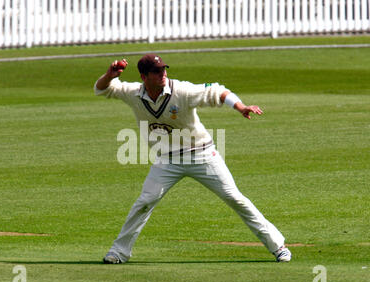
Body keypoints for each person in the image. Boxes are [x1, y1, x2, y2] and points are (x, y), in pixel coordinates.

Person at [94, 54, 291, 263]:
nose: (163, 74)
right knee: (145, 202)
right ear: (144, 76)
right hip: (167, 160)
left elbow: (217, 91)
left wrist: (240, 106)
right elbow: (103, 89)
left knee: (235, 198)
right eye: (156, 71)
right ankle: (118, 252)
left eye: (164, 69)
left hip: (201, 154)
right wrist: (110, 74)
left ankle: (278, 246)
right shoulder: (133, 93)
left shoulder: (182, 90)